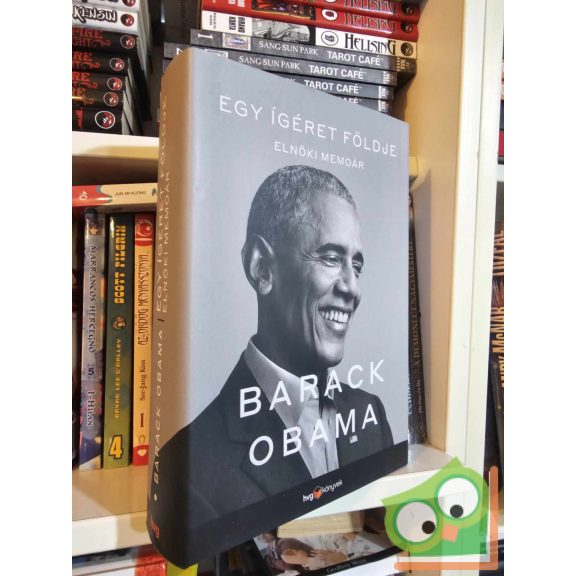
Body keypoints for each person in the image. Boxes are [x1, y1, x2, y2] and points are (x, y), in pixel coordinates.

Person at [149, 166, 394, 564]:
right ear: (261, 267)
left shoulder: (370, 414)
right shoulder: (188, 467)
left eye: (357, 266)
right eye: (331, 258)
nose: (352, 288)